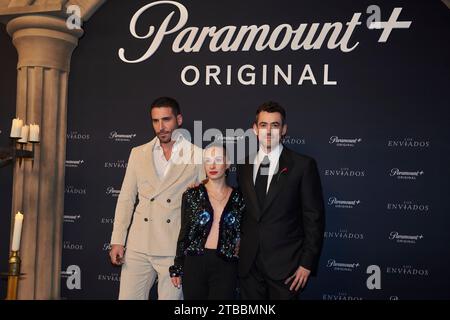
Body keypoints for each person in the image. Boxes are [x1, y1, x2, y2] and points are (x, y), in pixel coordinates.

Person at [109, 97, 205, 300]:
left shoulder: (198, 155)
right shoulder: (138, 153)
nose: (161, 127)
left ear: (179, 119)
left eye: (166, 119)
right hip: (138, 246)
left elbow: (206, 206)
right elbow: (126, 198)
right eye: (155, 121)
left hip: (173, 248)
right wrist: (117, 239)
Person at [237, 101, 325, 300]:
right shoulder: (244, 166)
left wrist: (307, 263)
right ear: (254, 129)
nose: (269, 131)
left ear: (284, 129)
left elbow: (314, 218)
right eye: (263, 125)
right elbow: (242, 208)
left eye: (275, 125)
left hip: (287, 268)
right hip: (249, 266)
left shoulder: (302, 166)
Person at [169, 143, 245, 299]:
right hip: (195, 263)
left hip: (226, 264)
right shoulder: (191, 194)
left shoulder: (240, 198)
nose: (213, 165)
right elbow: (184, 231)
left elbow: (246, 230)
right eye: (208, 160)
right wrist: (177, 265)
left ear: (228, 163)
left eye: (218, 159)